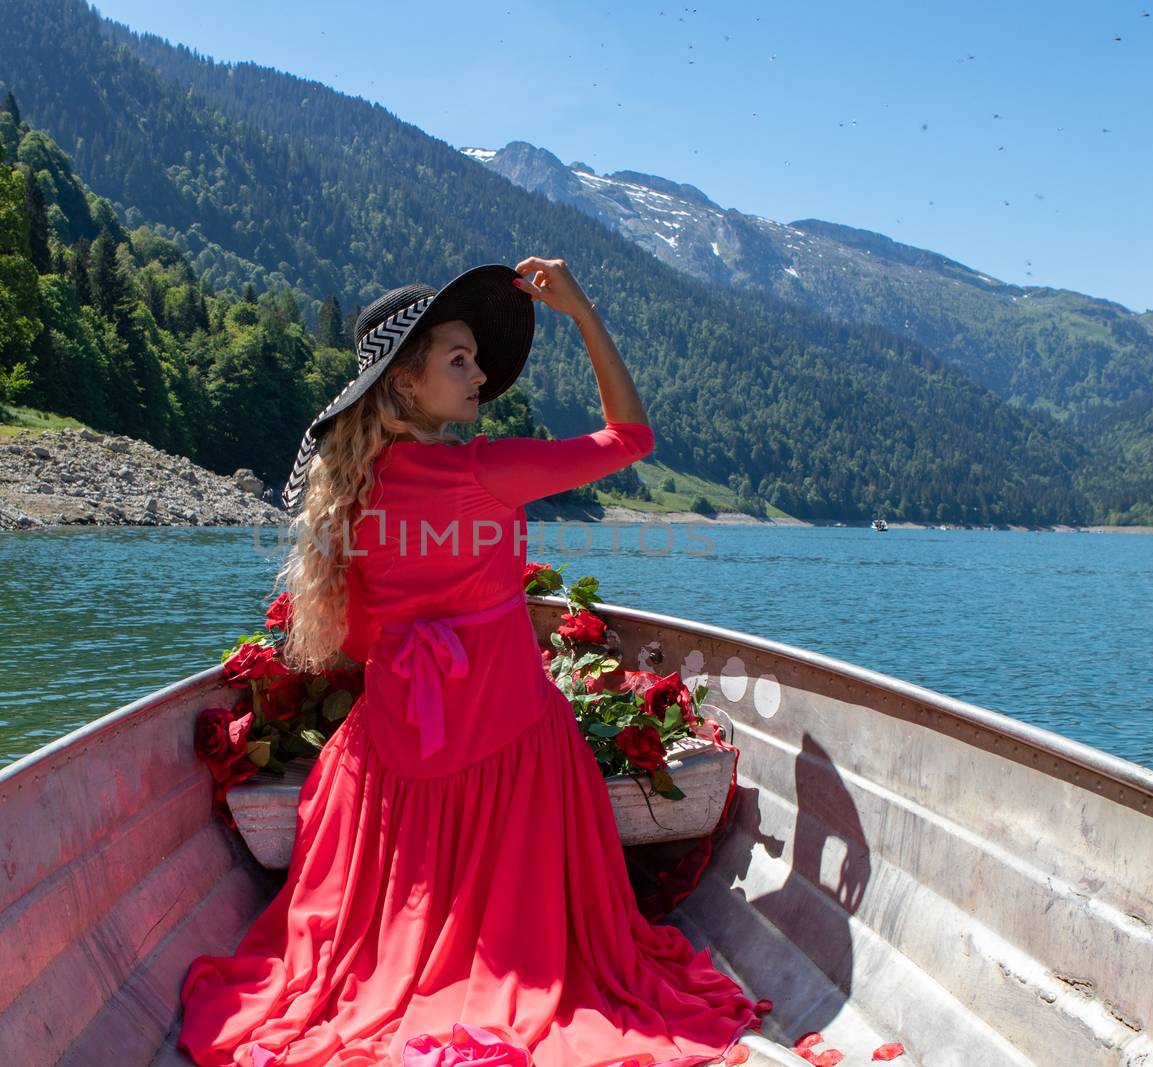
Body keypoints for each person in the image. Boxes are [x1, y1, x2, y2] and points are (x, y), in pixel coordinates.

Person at [178, 258, 759, 1066]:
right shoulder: (482, 472)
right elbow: (633, 437)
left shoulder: (352, 488)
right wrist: (582, 308)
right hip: (515, 753)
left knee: (354, 953)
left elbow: (352, 643)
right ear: (407, 385)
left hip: (391, 769)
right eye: (459, 358)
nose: (480, 371)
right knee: (541, 748)